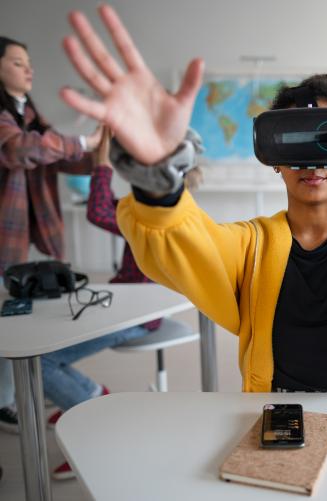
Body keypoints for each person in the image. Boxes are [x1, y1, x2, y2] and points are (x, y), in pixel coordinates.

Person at [59, 5, 327, 396]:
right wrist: (157, 176)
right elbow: (183, 246)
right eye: (295, 140)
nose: (312, 160)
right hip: (269, 410)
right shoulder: (249, 248)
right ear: (275, 158)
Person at [40, 127, 202, 480]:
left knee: (41, 361)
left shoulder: (153, 217)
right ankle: (81, 397)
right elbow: (103, 209)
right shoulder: (151, 207)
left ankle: (94, 412)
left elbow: (98, 211)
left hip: (138, 314)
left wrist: (102, 160)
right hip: (125, 302)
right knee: (47, 333)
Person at [0, 36, 100, 432]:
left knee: (17, 317)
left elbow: (56, 157)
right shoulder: (9, 121)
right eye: (17, 62)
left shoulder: (28, 113)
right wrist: (81, 141)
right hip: (6, 234)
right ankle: (6, 402)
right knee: (6, 323)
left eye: (28, 62)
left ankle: (17, 391)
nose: (29, 69)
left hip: (23, 232)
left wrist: (100, 152)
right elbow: (19, 150)